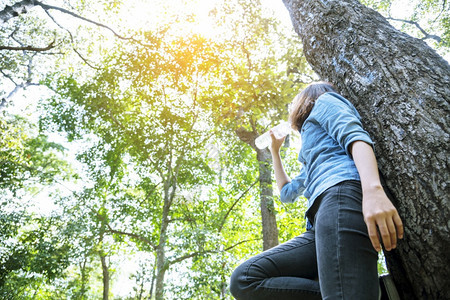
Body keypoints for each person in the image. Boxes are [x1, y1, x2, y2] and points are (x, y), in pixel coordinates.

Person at [229, 82, 403, 300]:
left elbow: (355, 137)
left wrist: (373, 191)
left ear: (306, 99)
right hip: (319, 222)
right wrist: (275, 152)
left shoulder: (324, 101)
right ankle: (375, 291)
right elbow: (287, 193)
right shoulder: (314, 154)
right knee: (245, 279)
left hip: (340, 196)